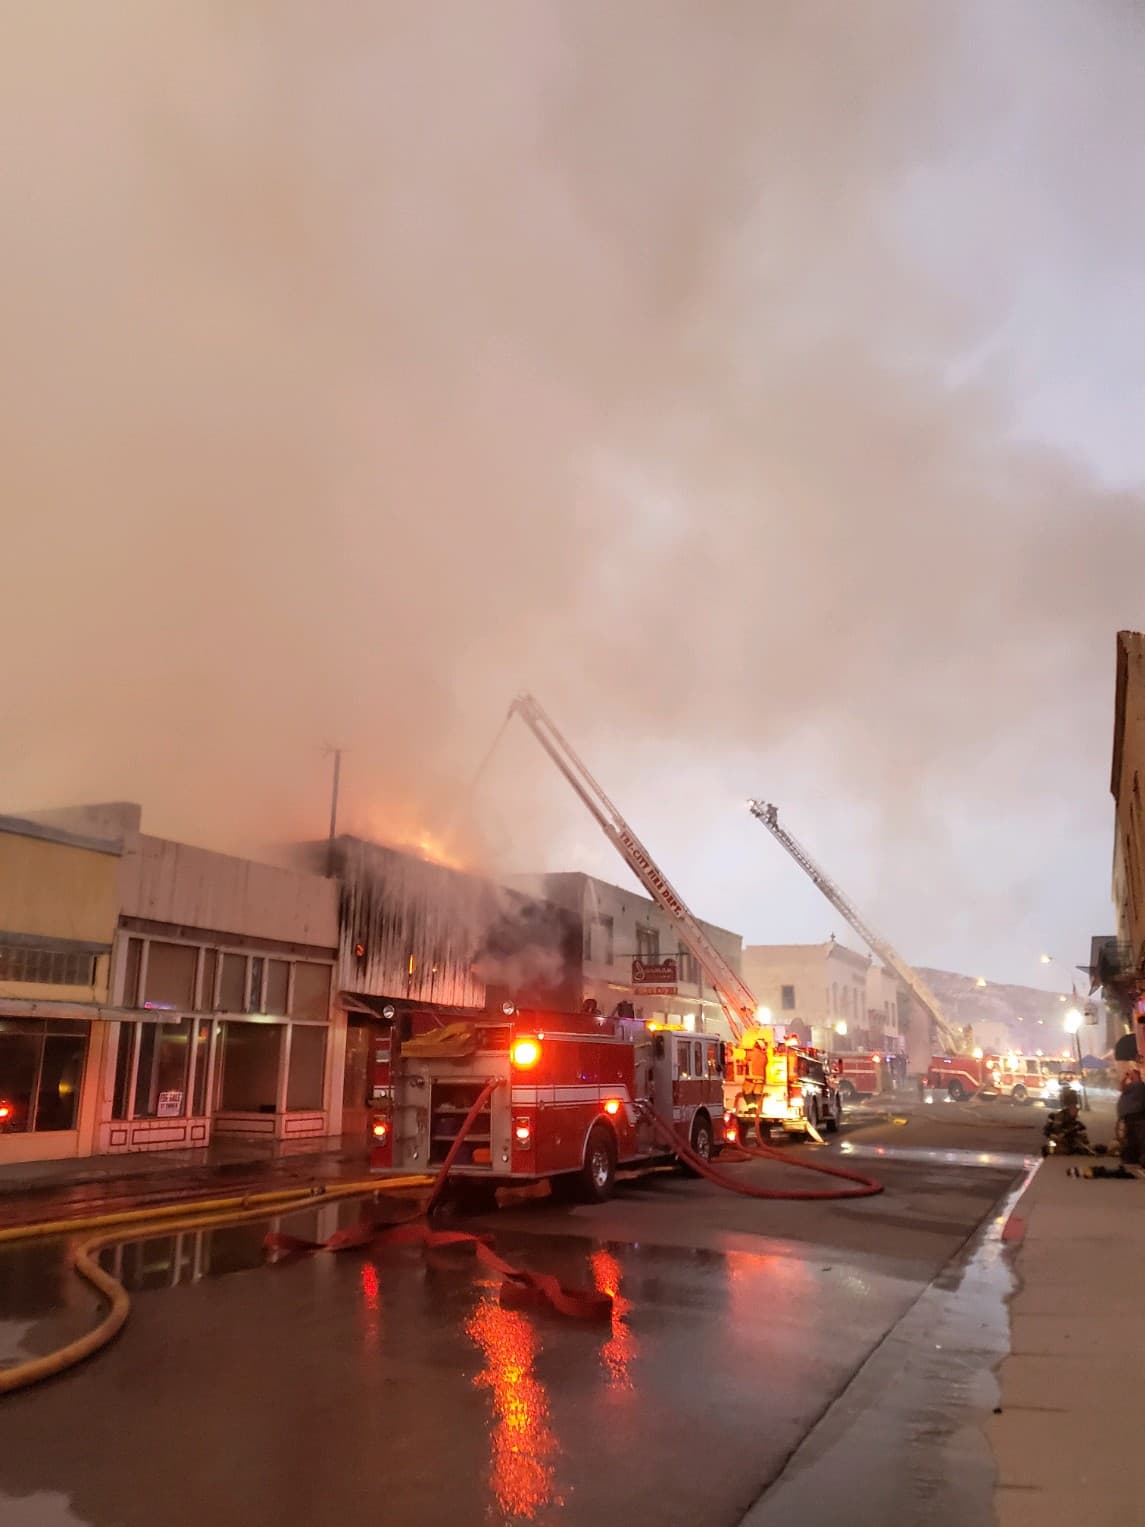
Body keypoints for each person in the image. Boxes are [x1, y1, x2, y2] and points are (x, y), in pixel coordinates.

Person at [1116, 1067, 1145, 1165]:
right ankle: (1133, 1157)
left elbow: (1121, 1088)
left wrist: (1125, 1077)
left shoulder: (1137, 1085)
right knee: (1133, 1135)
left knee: (1132, 1135)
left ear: (1136, 1075)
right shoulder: (1137, 1085)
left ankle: (1132, 1157)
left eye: (1132, 1074)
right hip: (1132, 1113)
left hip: (1133, 1113)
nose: (1130, 1075)